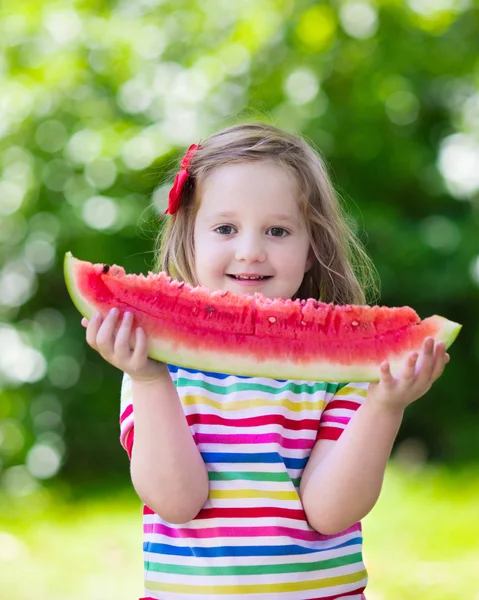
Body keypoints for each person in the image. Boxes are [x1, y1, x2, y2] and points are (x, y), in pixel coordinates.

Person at [81, 122, 450, 599]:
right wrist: (150, 381)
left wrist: (385, 406)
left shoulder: (342, 375)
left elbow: (331, 511)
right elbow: (176, 502)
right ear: (188, 239)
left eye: (278, 230)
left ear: (312, 247)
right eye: (225, 228)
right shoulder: (153, 363)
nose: (250, 251)